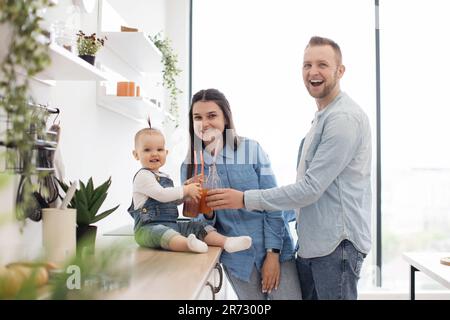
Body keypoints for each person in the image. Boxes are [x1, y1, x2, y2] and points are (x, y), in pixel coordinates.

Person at [206, 36, 372, 300]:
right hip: (313, 247)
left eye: (322, 65)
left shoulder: (343, 119)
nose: (313, 72)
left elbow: (309, 189)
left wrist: (244, 200)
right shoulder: (323, 117)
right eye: (307, 65)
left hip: (336, 247)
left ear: (340, 71)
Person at [181, 88, 301, 300]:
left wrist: (273, 255)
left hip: (275, 249)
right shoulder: (190, 166)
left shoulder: (251, 149)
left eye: (212, 116)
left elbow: (273, 202)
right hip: (238, 260)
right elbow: (199, 223)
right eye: (197, 117)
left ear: (225, 118)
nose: (204, 123)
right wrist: (206, 211)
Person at [128, 123, 252, 254]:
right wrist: (185, 190)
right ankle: (188, 245)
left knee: (197, 226)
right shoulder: (143, 176)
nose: (154, 154)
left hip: (171, 224)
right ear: (136, 154)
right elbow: (162, 194)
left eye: (159, 149)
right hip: (147, 229)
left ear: (166, 152)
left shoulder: (164, 176)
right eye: (147, 150)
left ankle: (227, 242)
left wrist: (186, 188)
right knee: (163, 234)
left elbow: (172, 200)